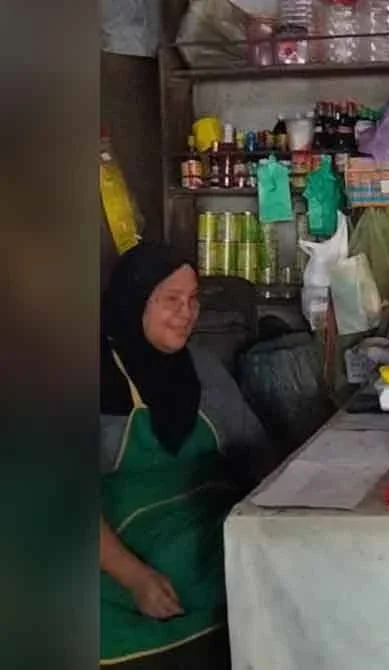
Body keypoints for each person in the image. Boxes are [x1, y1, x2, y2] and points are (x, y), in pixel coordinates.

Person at [100, 242, 278, 668]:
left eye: (193, 300)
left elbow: (256, 454)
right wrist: (136, 578)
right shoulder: (94, 378)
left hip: (210, 522)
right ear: (135, 303)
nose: (187, 312)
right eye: (171, 300)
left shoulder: (201, 369)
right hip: (122, 555)